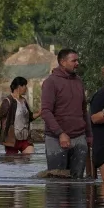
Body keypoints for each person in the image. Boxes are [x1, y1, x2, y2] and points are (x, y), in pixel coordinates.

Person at [40, 49, 92, 178]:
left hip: (79, 138)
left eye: (77, 60)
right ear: (62, 62)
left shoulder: (79, 81)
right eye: (74, 61)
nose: (77, 63)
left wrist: (89, 135)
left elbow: (83, 110)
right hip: (56, 138)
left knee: (78, 182)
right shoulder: (50, 82)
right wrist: (60, 134)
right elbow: (46, 112)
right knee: (58, 181)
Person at [0, 76, 41, 155]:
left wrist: (39, 113)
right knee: (12, 163)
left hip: (25, 138)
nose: (26, 88)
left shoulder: (24, 101)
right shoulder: (8, 101)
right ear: (19, 87)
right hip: (12, 139)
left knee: (29, 157)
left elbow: (29, 117)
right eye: (25, 86)